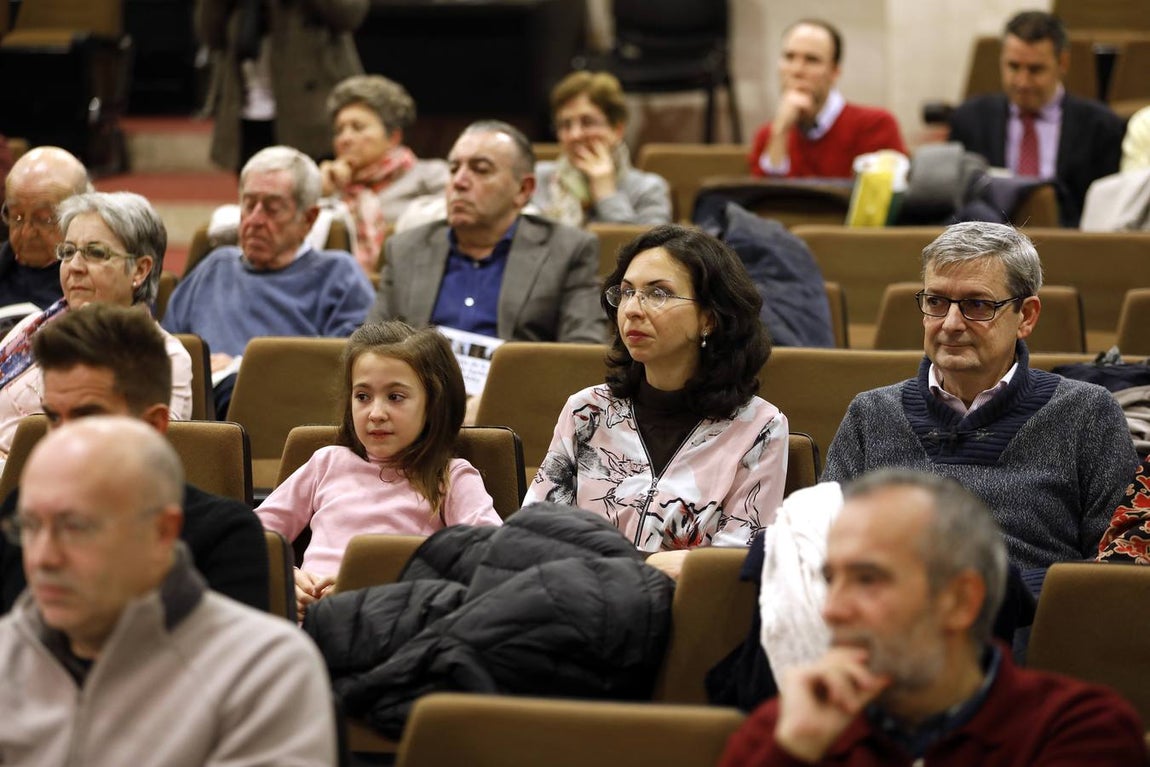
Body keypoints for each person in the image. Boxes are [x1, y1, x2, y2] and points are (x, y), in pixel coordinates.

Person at [719, 468, 1145, 767]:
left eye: (868, 580)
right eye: (830, 579)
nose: (831, 609)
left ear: (960, 601)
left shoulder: (1078, 730)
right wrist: (793, 753)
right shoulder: (783, 728)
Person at [0, 416, 336, 764]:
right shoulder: (7, 650)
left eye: (75, 527)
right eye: (29, 526)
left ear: (161, 533)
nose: (43, 558)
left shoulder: (265, 669)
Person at [821, 221, 1137, 572]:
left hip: (1031, 608)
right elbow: (820, 549)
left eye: (977, 305)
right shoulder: (871, 414)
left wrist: (1008, 596)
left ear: (1026, 316)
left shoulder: (1088, 413)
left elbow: (1113, 572)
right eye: (936, 302)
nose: (951, 323)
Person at [524, 224, 789, 571]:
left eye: (658, 293)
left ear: (709, 318)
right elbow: (532, 533)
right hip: (572, 594)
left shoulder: (760, 428)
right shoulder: (587, 411)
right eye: (626, 292)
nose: (632, 309)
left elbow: (729, 568)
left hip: (685, 604)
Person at [0, 303, 269, 612]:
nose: (62, 439)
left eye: (87, 418)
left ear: (153, 425)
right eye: (53, 418)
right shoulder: (21, 515)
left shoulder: (225, 536)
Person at [257, 321, 501, 620]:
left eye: (395, 397)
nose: (375, 413)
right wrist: (284, 578)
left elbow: (492, 556)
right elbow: (252, 536)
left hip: (395, 624)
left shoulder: (451, 477)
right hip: (310, 624)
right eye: (363, 396)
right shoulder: (327, 463)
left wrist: (375, 586)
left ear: (433, 404)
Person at [161, 146, 374, 414]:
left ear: (308, 219)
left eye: (272, 209)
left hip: (285, 413)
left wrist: (240, 367)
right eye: (249, 205)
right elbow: (165, 346)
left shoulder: (338, 274)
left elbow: (348, 368)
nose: (255, 220)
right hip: (197, 410)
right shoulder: (214, 267)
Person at [367, 120, 605, 344]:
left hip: (514, 376)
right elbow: (371, 347)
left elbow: (581, 350)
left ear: (523, 190)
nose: (459, 182)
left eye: (480, 170)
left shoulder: (567, 250)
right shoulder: (406, 248)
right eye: (454, 169)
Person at [0, 191, 193, 469]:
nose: (75, 267)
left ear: (140, 270)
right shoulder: (31, 328)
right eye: (68, 252)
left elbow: (143, 462)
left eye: (95, 253)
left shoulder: (163, 356)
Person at [947, 10, 1124, 227]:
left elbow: (1107, 214)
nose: (1022, 82)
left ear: (1062, 63)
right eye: (1013, 67)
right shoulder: (970, 119)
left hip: (1070, 241)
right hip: (989, 240)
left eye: (1035, 69)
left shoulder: (1101, 126)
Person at [195, 0, 367, 173]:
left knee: (313, 185)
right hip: (247, 109)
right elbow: (210, 34)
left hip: (314, 112)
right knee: (258, 186)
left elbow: (349, 15)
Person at [319, 74, 449, 273]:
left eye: (358, 128)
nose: (345, 138)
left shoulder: (430, 176)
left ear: (393, 137)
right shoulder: (329, 187)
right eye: (339, 130)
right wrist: (321, 192)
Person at [748, 19, 906, 179]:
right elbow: (765, 194)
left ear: (834, 72)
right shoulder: (768, 135)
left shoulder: (875, 126)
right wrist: (780, 132)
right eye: (789, 57)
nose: (797, 70)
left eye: (812, 60)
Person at [533, 70, 671, 227]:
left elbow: (643, 244)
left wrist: (606, 194)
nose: (575, 134)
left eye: (587, 122)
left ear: (617, 129)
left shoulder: (648, 189)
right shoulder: (537, 179)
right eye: (565, 125)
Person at [0, 147, 92, 311]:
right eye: (17, 217)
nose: (27, 233)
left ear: (81, 214)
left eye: (44, 219)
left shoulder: (100, 278)